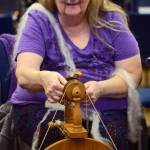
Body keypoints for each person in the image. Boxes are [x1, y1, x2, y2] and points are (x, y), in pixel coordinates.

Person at [9, 0, 142, 149]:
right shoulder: (39, 18)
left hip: (106, 108)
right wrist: (43, 79)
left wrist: (101, 88)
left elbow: (133, 74)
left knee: (111, 138)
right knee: (63, 140)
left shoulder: (111, 19)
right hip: (40, 107)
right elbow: (24, 74)